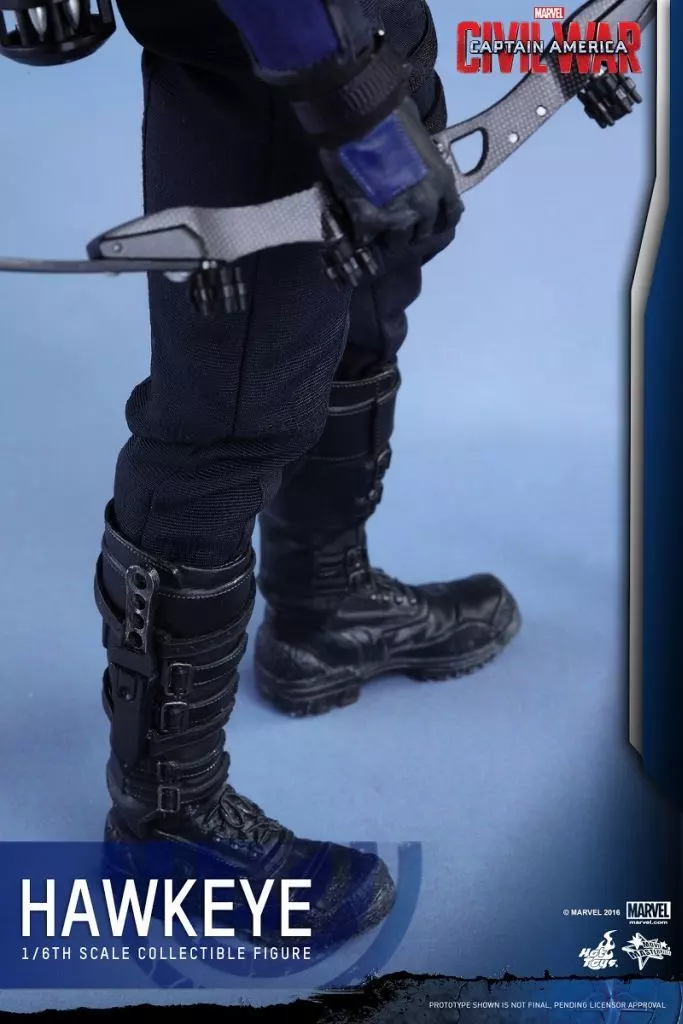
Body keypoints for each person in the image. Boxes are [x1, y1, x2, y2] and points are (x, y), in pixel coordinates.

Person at [13, 0, 523, 945]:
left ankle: (325, 614)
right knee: (223, 426)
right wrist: (357, 113)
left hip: (365, 47)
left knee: (359, 321)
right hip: (269, 76)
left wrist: (377, 99)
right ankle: (166, 819)